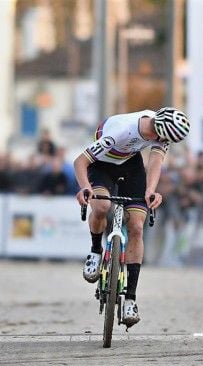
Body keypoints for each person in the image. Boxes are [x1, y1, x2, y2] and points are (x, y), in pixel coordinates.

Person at [73, 107, 190, 327]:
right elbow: (80, 162)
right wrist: (85, 188)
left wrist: (151, 190)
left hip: (130, 164)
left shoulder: (161, 129)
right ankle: (95, 252)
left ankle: (130, 300)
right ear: (157, 131)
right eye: (164, 139)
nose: (163, 142)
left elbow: (155, 162)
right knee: (101, 207)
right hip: (102, 165)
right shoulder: (120, 131)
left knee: (137, 226)